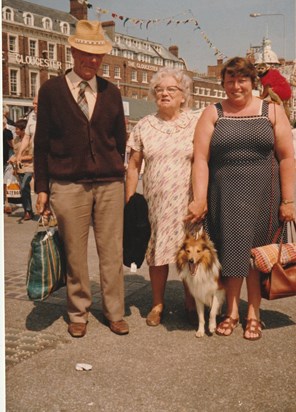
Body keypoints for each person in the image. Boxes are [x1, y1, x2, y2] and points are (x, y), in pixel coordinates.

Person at [186, 57, 295, 340]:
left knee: (257, 255)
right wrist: (199, 199)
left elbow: (286, 157)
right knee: (230, 252)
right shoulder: (213, 113)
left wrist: (290, 201)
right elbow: (200, 159)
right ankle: (232, 312)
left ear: (252, 82)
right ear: (222, 83)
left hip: (264, 194)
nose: (236, 86)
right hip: (224, 193)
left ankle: (254, 314)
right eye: (230, 80)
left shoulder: (271, 111)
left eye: (242, 80)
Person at [34, 20, 128, 337]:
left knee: (112, 252)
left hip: (109, 184)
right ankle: (78, 312)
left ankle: (114, 311)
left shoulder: (112, 93)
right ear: (73, 52)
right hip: (67, 184)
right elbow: (41, 144)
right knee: (74, 252)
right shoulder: (50, 91)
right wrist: (42, 188)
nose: (92, 61)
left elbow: (120, 140)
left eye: (97, 56)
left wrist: (121, 175)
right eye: (86, 54)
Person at [125, 67, 201, 327]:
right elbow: (134, 165)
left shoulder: (196, 122)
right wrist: (130, 201)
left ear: (184, 96)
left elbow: (204, 161)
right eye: (159, 89)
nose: (164, 93)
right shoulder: (145, 125)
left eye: (171, 89)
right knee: (157, 253)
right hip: (156, 203)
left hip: (188, 201)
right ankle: (158, 303)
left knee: (190, 253)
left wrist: (201, 198)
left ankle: (191, 301)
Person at [8, 119, 34, 220]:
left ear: (24, 130)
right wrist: (12, 159)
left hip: (29, 167)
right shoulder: (16, 140)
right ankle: (28, 211)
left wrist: (18, 158)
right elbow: (15, 153)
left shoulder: (30, 140)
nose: (15, 131)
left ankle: (28, 211)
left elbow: (31, 156)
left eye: (17, 129)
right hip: (18, 168)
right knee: (24, 190)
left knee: (24, 187)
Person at [3, 116, 14, 214]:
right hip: (6, 159)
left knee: (5, 182)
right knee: (5, 182)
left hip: (6, 160)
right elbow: (12, 145)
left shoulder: (7, 132)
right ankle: (6, 204)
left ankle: (6, 203)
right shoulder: (7, 132)